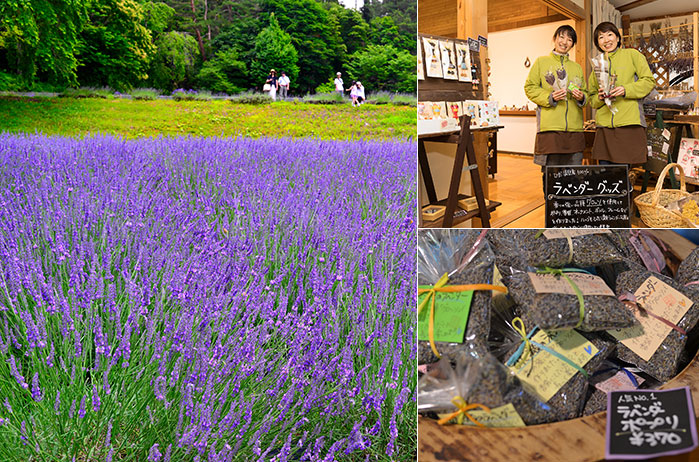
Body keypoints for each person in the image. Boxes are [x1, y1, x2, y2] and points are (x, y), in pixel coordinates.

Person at [524, 25, 587, 192]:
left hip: (574, 128)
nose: (565, 42)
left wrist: (582, 97)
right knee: (551, 173)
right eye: (562, 37)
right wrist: (549, 97)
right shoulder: (541, 62)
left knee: (573, 173)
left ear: (572, 44)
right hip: (550, 127)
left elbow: (586, 92)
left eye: (569, 39)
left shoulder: (576, 67)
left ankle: (569, 210)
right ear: (554, 38)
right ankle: (551, 209)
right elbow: (530, 88)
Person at [588, 22, 655, 167]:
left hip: (628, 123)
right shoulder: (597, 65)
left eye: (610, 35)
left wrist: (625, 90)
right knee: (606, 173)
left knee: (623, 173)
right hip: (604, 127)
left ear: (618, 38)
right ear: (597, 43)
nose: (606, 40)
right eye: (601, 37)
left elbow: (648, 82)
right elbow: (591, 98)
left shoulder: (632, 55)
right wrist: (599, 98)